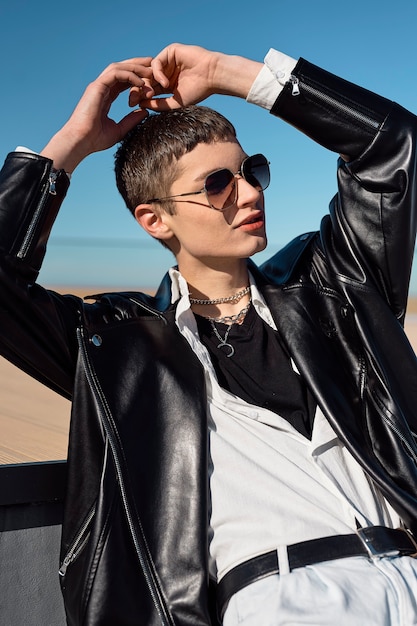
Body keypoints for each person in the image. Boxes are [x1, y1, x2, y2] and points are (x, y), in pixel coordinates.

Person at [1, 43, 417, 626]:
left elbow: (391, 147)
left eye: (253, 171)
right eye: (219, 183)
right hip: (277, 601)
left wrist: (231, 76)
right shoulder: (118, 348)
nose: (250, 193)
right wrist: (71, 143)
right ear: (155, 219)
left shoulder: (334, 290)